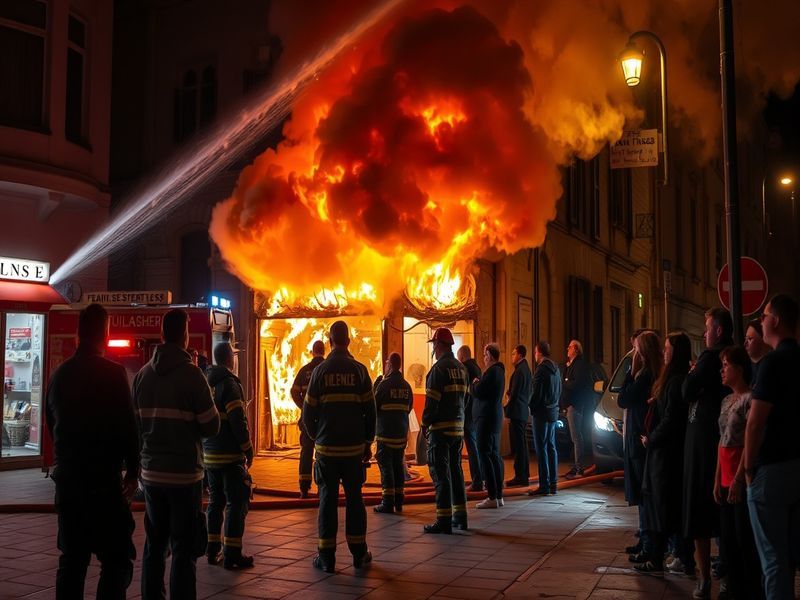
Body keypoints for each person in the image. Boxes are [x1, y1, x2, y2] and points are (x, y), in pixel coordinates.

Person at [45, 303, 139, 599]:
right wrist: (133, 471)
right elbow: (128, 426)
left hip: (69, 484)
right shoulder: (114, 374)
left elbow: (51, 424)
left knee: (72, 562)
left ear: (79, 333)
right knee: (116, 561)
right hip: (104, 486)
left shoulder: (59, 375)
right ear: (105, 332)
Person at [133, 308, 220, 600]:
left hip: (152, 477)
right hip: (184, 476)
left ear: (161, 335)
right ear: (184, 336)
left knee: (154, 545)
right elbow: (211, 426)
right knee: (184, 547)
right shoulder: (193, 376)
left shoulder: (142, 376)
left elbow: (136, 427)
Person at [302, 321, 375, 572]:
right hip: (353, 451)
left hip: (326, 452)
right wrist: (367, 442)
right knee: (355, 500)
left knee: (327, 501)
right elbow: (370, 411)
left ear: (330, 341)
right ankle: (359, 554)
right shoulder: (360, 371)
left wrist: (316, 438)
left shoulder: (320, 372)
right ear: (349, 340)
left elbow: (307, 411)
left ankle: (326, 557)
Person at [744, 294, 800, 600]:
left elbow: (755, 422)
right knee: (792, 555)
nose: (762, 320)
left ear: (775, 320)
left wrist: (748, 467)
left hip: (773, 468)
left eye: (764, 315)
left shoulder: (772, 363)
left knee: (774, 560)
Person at [682, 307, 733, 599]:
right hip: (704, 444)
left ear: (720, 331)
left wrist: (696, 379)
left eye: (708, 327)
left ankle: (709, 577)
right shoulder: (714, 358)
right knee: (713, 514)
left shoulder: (712, 357)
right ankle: (716, 575)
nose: (704, 332)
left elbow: (688, 389)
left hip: (707, 447)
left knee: (707, 512)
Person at [634, 332, 693, 576]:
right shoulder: (670, 379)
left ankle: (661, 556)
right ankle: (667, 555)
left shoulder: (675, 380)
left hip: (665, 454)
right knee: (659, 504)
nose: (664, 351)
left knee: (661, 506)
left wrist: (652, 437)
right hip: (663, 452)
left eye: (668, 348)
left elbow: (672, 418)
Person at [713, 345, 763, 600]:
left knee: (743, 539)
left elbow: (746, 441)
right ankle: (732, 586)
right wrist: (717, 479)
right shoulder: (725, 400)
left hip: (739, 476)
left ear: (739, 369)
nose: (722, 370)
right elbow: (722, 439)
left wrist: (737, 479)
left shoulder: (749, 399)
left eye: (726, 365)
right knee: (727, 540)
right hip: (724, 474)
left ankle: (748, 590)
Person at [203, 342, 255, 569]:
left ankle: (212, 550)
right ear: (228, 360)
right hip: (230, 455)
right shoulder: (230, 384)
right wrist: (248, 448)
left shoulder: (205, 381)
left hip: (210, 455)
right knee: (237, 502)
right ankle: (232, 554)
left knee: (215, 502)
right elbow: (238, 421)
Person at [618, 331, 662, 564]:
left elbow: (623, 398)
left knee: (644, 494)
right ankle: (646, 538)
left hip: (639, 439)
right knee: (643, 494)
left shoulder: (644, 376)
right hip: (638, 438)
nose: (634, 353)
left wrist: (631, 371)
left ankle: (649, 543)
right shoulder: (651, 374)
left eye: (636, 349)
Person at [420, 327, 469, 533]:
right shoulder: (461, 369)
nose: (434, 350)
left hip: (440, 431)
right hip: (458, 430)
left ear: (439, 345)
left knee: (441, 475)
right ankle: (460, 516)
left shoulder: (438, 370)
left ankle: (444, 520)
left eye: (434, 346)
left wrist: (425, 424)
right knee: (456, 473)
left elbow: (431, 403)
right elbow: (465, 399)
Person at [373, 352, 413, 514]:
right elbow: (409, 408)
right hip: (400, 434)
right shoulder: (406, 386)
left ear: (389, 365)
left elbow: (374, 408)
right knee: (398, 466)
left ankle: (387, 502)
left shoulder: (383, 385)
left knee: (386, 467)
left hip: (385, 434)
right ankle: (399, 500)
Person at [471, 343, 506, 509]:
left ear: (490, 356)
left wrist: (475, 383)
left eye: (485, 355)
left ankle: (492, 495)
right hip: (494, 417)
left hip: (486, 417)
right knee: (493, 455)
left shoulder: (492, 372)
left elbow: (479, 392)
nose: (484, 359)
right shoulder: (500, 372)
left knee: (485, 455)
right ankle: (498, 495)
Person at [290, 340, 326, 499]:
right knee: (323, 453)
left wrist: (304, 407)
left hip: (307, 419)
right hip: (325, 420)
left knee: (306, 451)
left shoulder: (304, 370)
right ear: (324, 351)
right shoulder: (327, 369)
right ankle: (322, 486)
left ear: (312, 352)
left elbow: (294, 391)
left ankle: (304, 488)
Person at [527, 341, 561, 496]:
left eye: (535, 352)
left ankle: (544, 485)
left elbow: (536, 393)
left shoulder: (541, 369)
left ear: (539, 352)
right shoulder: (556, 369)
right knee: (551, 447)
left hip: (541, 413)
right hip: (553, 411)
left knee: (541, 449)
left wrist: (531, 406)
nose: (534, 355)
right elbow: (559, 389)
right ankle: (553, 483)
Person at [562, 339, 593, 479]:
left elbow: (576, 384)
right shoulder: (573, 364)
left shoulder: (579, 364)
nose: (567, 350)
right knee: (575, 437)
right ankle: (576, 466)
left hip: (576, 405)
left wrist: (566, 382)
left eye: (569, 347)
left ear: (575, 349)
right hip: (572, 405)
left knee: (577, 437)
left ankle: (579, 468)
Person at [457, 345, 484, 492]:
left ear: (461, 357)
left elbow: (464, 394)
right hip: (476, 412)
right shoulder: (477, 368)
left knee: (472, 449)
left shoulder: (464, 369)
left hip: (467, 414)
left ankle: (477, 480)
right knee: (477, 447)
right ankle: (482, 478)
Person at [505, 345, 532, 487]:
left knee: (519, 445)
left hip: (517, 411)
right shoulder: (525, 369)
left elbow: (515, 394)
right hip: (521, 411)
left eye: (514, 353)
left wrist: (506, 408)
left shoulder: (520, 371)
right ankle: (523, 474)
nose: (512, 356)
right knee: (522, 444)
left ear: (520, 355)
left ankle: (520, 475)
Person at [743, 318, 771, 385]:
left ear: (763, 340)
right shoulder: (744, 366)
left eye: (749, 339)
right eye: (745, 339)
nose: (745, 343)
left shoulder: (770, 365)